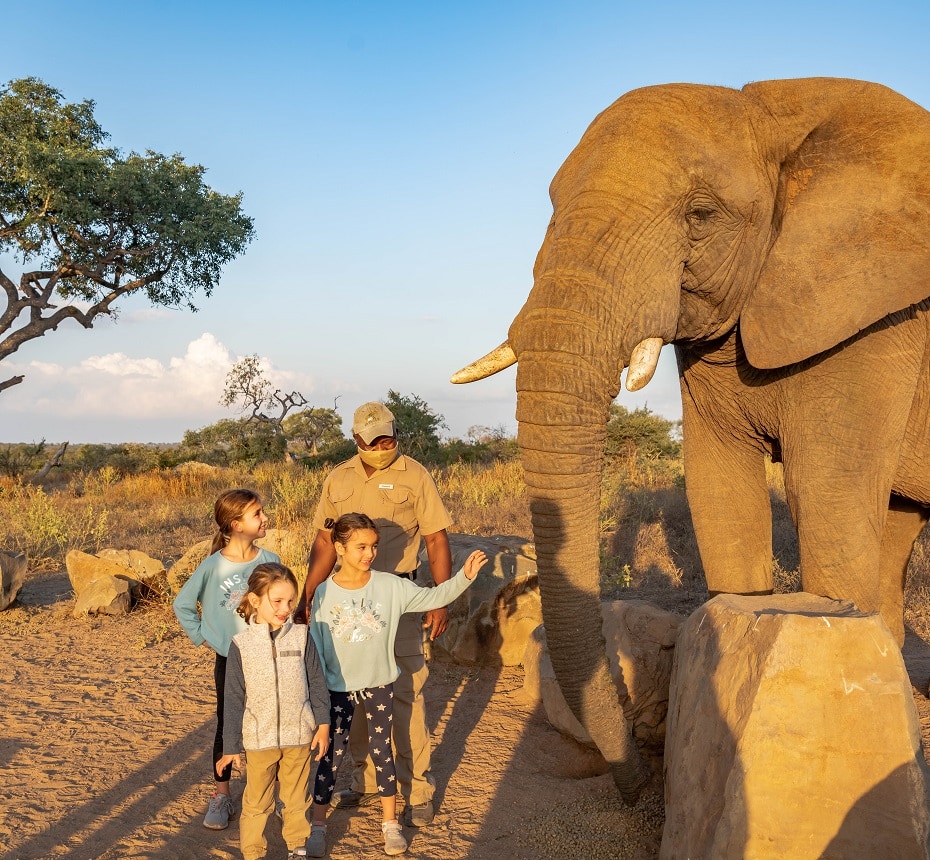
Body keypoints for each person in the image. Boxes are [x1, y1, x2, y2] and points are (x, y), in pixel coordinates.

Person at [295, 401, 453, 828]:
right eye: (374, 439)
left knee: (406, 694)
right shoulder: (339, 477)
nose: (383, 445)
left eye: (389, 436)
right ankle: (363, 782)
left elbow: (436, 538)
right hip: (345, 603)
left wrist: (439, 597)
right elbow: (325, 542)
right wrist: (308, 594)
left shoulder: (415, 474)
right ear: (356, 440)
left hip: (397, 599)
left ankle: (417, 789)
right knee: (351, 692)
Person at [305, 513, 486, 858]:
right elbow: (316, 646)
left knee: (381, 751)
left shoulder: (390, 586)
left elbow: (434, 596)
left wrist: (464, 577)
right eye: (360, 547)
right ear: (340, 548)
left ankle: (391, 825)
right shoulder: (325, 593)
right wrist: (318, 695)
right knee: (331, 756)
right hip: (338, 689)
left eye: (373, 546)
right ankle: (318, 825)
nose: (369, 554)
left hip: (379, 686)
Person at [173, 488, 279, 831]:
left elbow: (282, 602)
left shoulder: (270, 559)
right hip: (230, 660)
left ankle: (272, 794)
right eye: (257, 514)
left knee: (270, 723)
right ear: (236, 525)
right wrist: (206, 638)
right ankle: (222, 795)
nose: (264, 518)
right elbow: (183, 605)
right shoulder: (212, 565)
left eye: (262, 512)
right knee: (227, 724)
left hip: (267, 655)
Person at [216, 563, 331, 860]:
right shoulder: (240, 645)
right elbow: (232, 698)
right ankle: (253, 852)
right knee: (256, 802)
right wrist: (230, 747)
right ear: (255, 600)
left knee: (296, 799)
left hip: (298, 736)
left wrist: (322, 723)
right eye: (277, 601)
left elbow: (317, 682)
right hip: (259, 739)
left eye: (291, 601)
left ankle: (298, 848)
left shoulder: (302, 637)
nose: (286, 608)